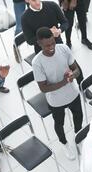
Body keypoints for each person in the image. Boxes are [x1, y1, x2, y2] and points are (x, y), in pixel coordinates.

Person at [32, 27, 84, 160]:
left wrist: (73, 75)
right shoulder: (37, 62)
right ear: (39, 44)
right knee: (59, 123)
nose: (51, 47)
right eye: (47, 45)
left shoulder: (63, 48)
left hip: (73, 93)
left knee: (78, 116)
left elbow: (77, 69)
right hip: (56, 101)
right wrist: (64, 82)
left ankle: (78, 136)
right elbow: (43, 88)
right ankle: (64, 143)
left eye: (53, 43)